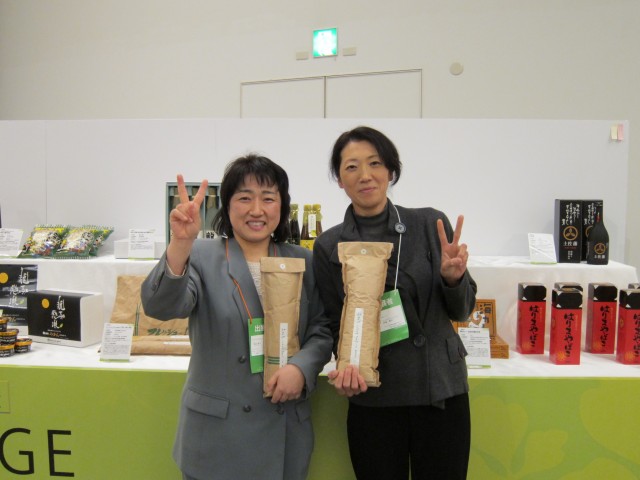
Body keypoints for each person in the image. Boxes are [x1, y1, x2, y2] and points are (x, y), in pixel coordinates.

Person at [141, 154, 333, 480]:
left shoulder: (303, 260)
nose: (257, 210)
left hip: (284, 428)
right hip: (218, 436)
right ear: (227, 206)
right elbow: (161, 307)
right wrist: (181, 243)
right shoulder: (201, 255)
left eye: (268, 198)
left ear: (282, 206)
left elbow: (321, 328)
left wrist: (301, 369)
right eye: (245, 198)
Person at [313, 126, 477, 480]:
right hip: (373, 396)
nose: (365, 175)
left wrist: (453, 279)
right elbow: (331, 323)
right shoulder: (329, 246)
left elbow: (462, 310)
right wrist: (342, 367)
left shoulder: (429, 224)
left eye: (375, 163)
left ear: (391, 170)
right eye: (352, 167)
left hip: (438, 391)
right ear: (339, 179)